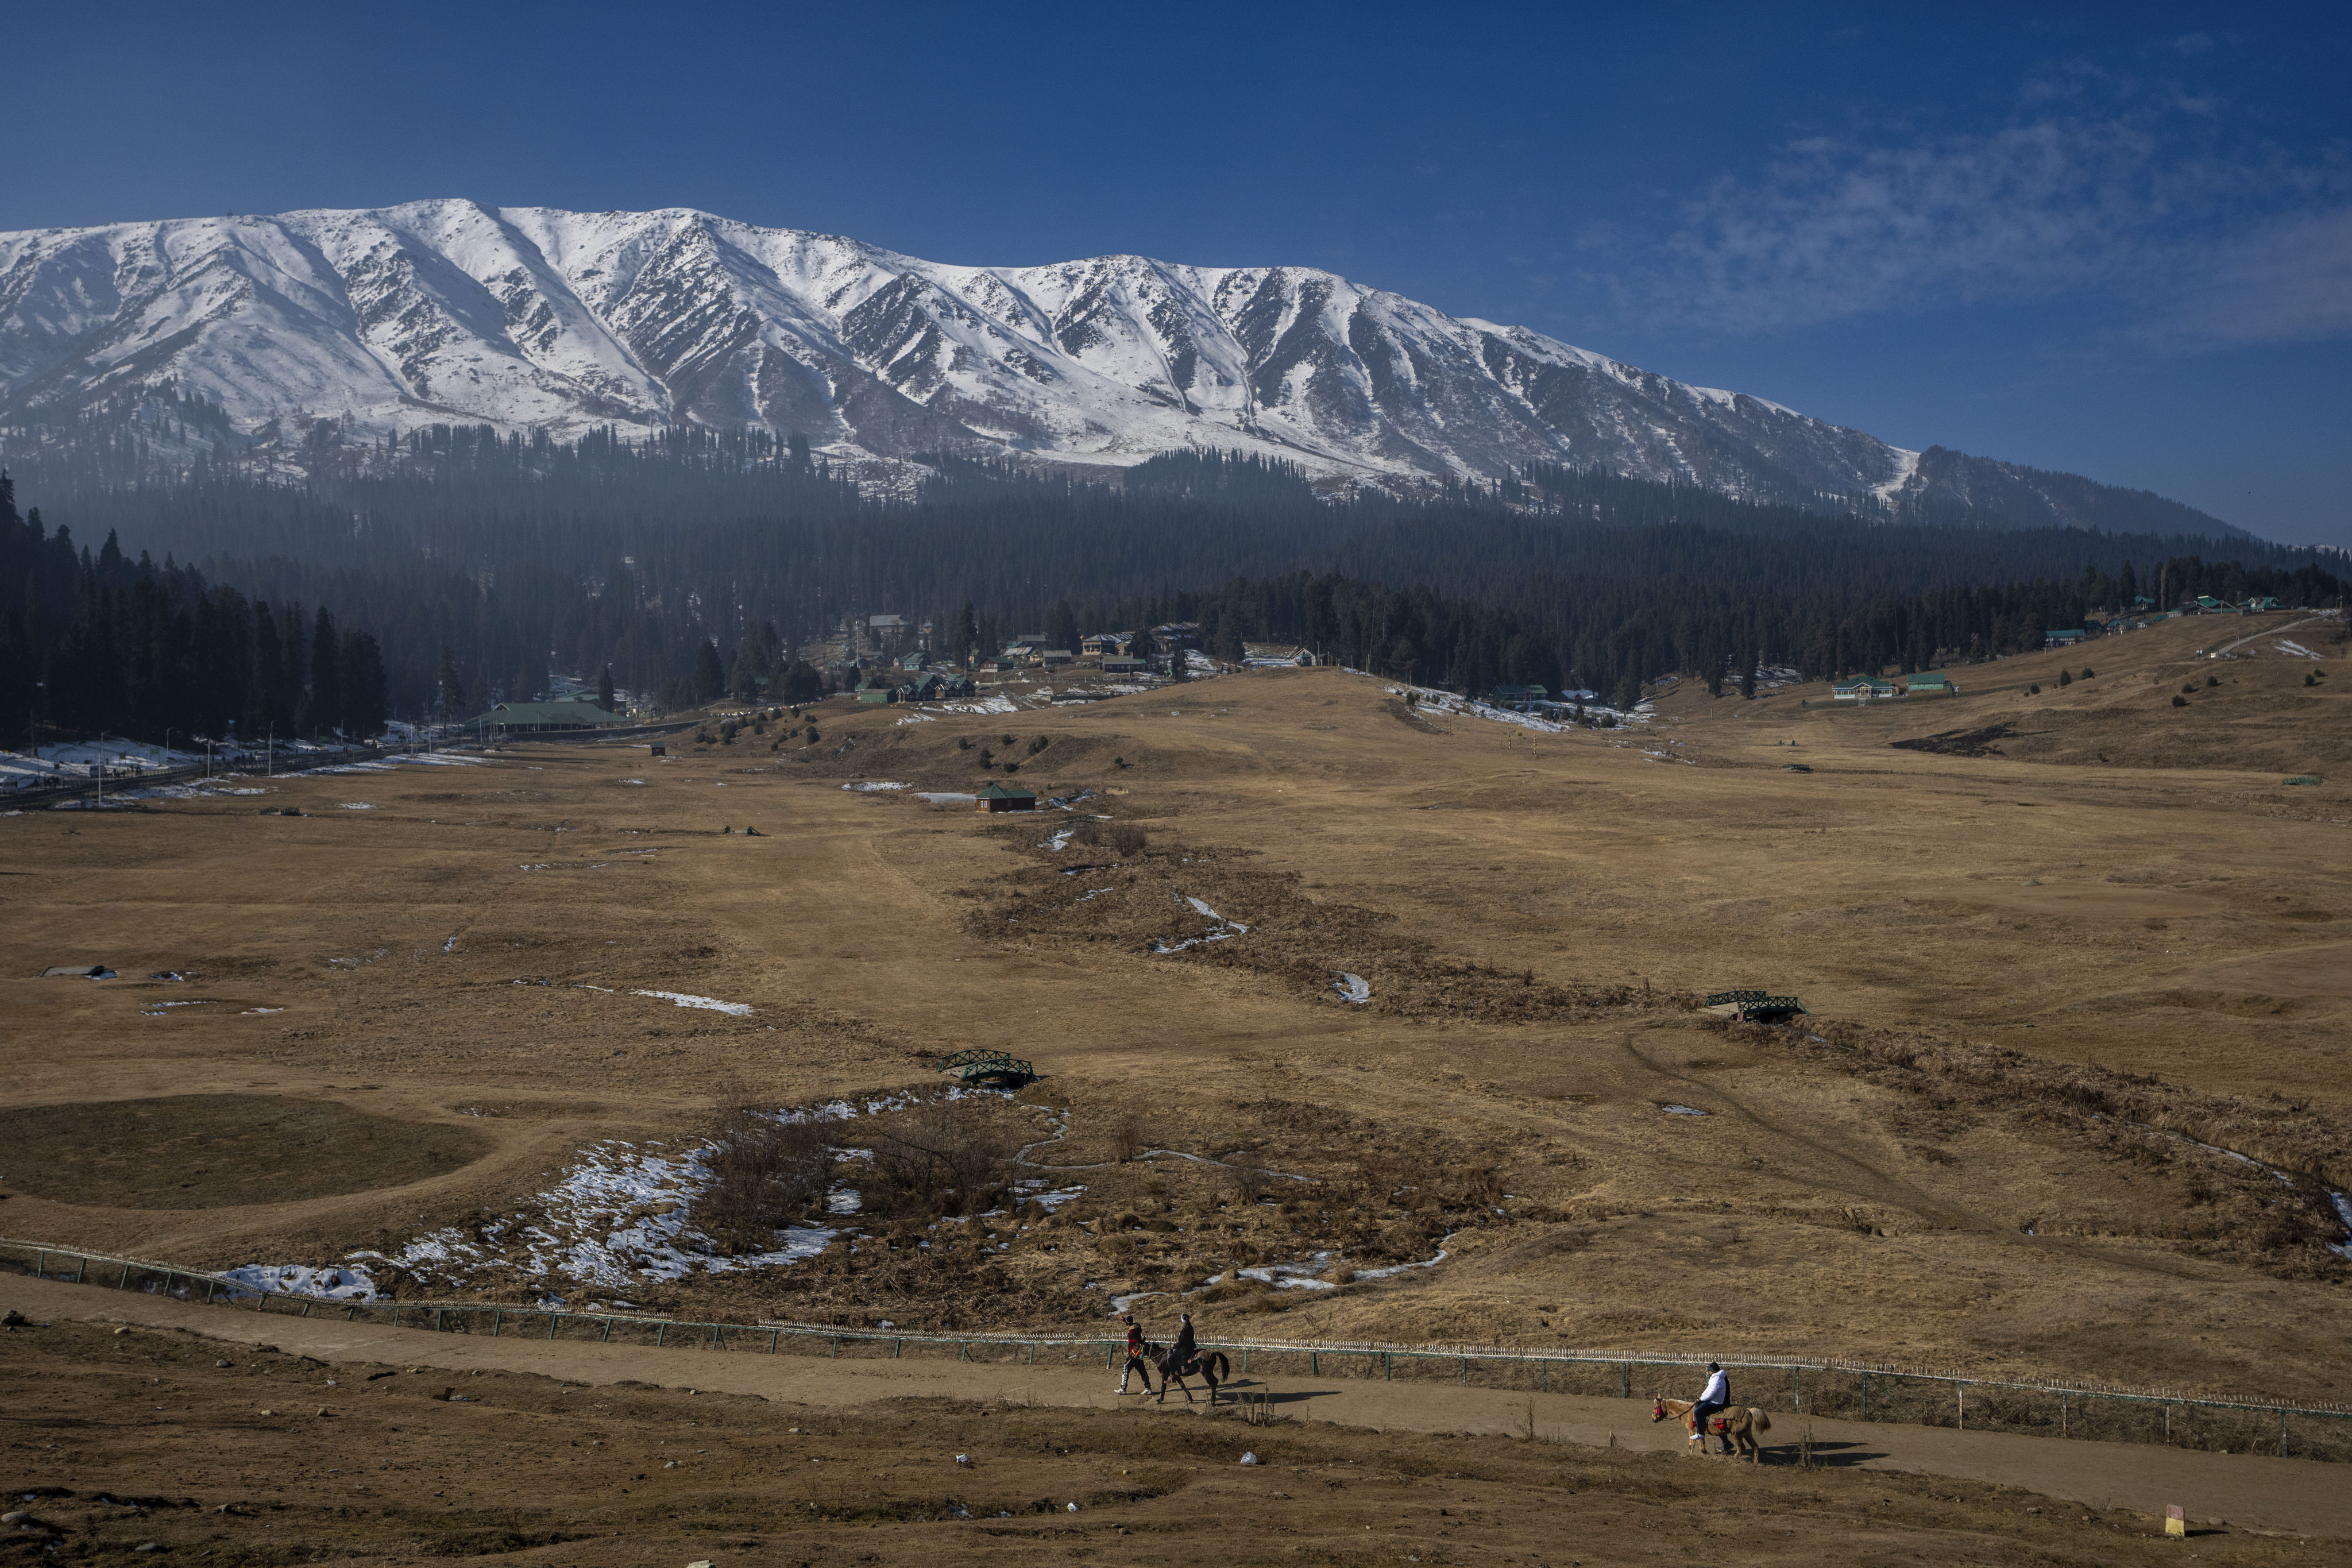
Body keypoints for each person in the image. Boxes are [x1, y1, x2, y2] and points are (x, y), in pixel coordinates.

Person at [1690, 1362, 1731, 1453]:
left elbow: (1712, 1393)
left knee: (1697, 1412)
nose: (1708, 1372)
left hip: (1715, 1403)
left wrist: (1702, 1399)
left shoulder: (1717, 1379)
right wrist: (1702, 1396)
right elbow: (1708, 1389)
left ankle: (1700, 1433)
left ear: (1711, 1371)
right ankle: (1726, 1443)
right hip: (1714, 1400)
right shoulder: (1716, 1377)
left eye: (1709, 1371)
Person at [1115, 1312, 1153, 1395]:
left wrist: (1133, 1353)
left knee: (1126, 1367)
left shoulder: (1131, 1333)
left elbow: (1137, 1342)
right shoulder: (1137, 1326)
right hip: (1139, 1354)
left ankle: (1123, 1389)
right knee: (1143, 1371)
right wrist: (1124, 1319)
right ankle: (1148, 1388)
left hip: (1134, 1354)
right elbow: (1131, 1324)